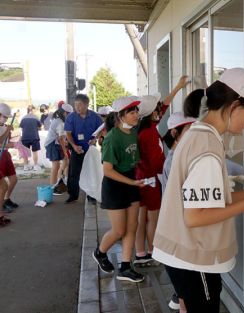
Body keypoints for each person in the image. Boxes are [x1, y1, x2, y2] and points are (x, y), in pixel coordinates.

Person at [152, 68, 244, 312]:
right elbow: (195, 216)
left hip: (182, 255)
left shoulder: (197, 134)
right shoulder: (207, 148)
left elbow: (212, 200)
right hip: (193, 259)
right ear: (234, 105)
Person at [134, 76, 189, 266]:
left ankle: (140, 253)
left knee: (141, 219)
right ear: (151, 113)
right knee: (153, 219)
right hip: (150, 181)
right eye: (157, 109)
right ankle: (153, 251)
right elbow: (156, 162)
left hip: (141, 179)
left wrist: (178, 87)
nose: (160, 111)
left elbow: (164, 106)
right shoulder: (148, 133)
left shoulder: (144, 128)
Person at [92, 96, 146, 283]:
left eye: (137, 111)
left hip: (131, 181)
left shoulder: (133, 132)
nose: (136, 114)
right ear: (120, 116)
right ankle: (100, 252)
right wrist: (132, 183)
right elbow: (107, 170)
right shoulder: (112, 137)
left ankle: (125, 267)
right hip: (114, 186)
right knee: (119, 230)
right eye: (132, 112)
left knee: (133, 226)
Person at [161, 112, 196, 312]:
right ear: (175, 133)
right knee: (188, 293)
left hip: (177, 229)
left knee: (186, 291)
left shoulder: (178, 157)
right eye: (188, 132)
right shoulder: (175, 160)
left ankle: (179, 294)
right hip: (179, 230)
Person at [64, 94, 102, 204]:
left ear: (86, 105)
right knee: (73, 172)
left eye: (79, 105)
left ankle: (91, 196)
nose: (77, 108)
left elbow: (101, 130)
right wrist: (74, 146)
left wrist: (95, 139)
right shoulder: (71, 117)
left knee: (91, 172)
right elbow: (68, 134)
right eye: (75, 105)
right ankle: (73, 195)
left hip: (90, 149)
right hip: (77, 148)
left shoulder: (95, 117)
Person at [44, 103, 73, 194]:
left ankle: (60, 182)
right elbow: (61, 139)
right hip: (52, 144)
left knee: (66, 162)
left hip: (55, 144)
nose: (69, 116)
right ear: (64, 113)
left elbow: (62, 139)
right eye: (68, 114)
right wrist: (65, 151)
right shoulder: (60, 122)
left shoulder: (58, 120)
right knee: (55, 166)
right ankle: (53, 188)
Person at [0, 103, 20, 214]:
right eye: (5, 116)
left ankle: (6, 200)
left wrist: (15, 144)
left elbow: (6, 142)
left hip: (5, 154)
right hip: (0, 155)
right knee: (2, 185)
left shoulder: (3, 126)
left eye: (7, 117)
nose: (6, 119)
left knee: (13, 179)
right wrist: (7, 131)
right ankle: (1, 205)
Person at [19, 105, 42, 171]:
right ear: (32, 110)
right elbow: (40, 126)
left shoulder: (23, 118)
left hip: (25, 137)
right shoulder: (36, 117)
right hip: (34, 137)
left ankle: (25, 166)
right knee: (35, 152)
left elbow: (21, 127)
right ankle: (35, 166)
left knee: (25, 152)